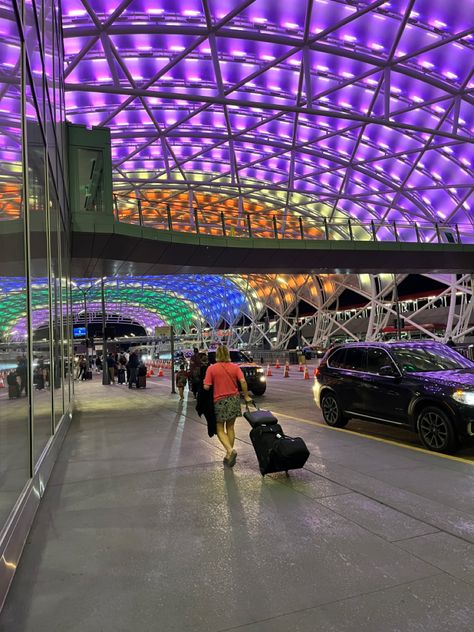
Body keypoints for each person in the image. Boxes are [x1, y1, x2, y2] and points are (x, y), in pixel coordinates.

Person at [203, 344, 252, 467]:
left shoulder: (212, 369)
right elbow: (243, 381)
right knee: (230, 427)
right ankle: (228, 454)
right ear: (228, 354)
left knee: (219, 428)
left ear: (217, 355)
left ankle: (230, 451)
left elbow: (206, 386)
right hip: (234, 400)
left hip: (219, 401)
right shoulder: (235, 367)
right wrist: (246, 396)